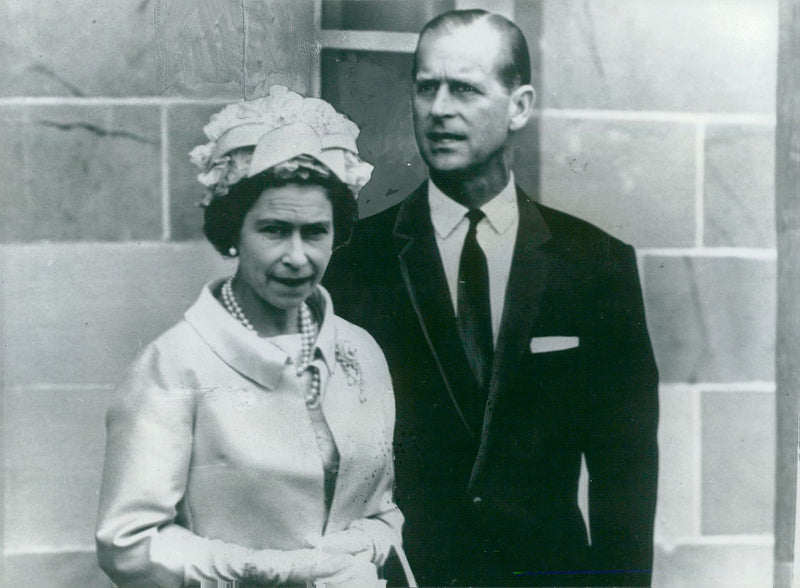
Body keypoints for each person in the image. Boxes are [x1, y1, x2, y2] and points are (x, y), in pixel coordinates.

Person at [324, 10, 659, 587]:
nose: (439, 109)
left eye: (465, 89)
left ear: (520, 105)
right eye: (426, 87)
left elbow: (624, 470)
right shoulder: (357, 260)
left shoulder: (596, 264)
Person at [95, 85, 403, 588]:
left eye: (315, 232)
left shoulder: (361, 352)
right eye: (275, 230)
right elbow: (128, 543)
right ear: (232, 231)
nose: (298, 257)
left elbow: (382, 510)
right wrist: (265, 570)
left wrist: (364, 548)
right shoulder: (174, 365)